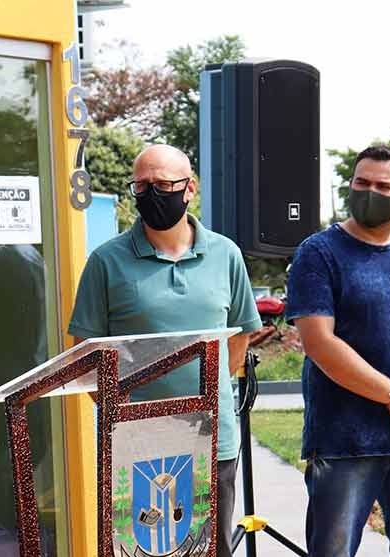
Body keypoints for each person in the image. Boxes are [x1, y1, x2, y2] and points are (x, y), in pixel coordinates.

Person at [69, 144, 262, 552]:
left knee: (210, 547)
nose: (151, 193)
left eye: (162, 184)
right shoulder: (107, 261)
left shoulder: (225, 254)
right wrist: (124, 414)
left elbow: (240, 335)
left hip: (212, 439)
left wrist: (204, 396)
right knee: (142, 547)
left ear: (189, 188)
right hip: (135, 442)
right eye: (141, 185)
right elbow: (83, 354)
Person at [286, 145, 390, 556]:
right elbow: (320, 342)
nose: (370, 192)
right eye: (361, 183)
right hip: (344, 442)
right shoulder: (319, 252)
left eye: (383, 186)